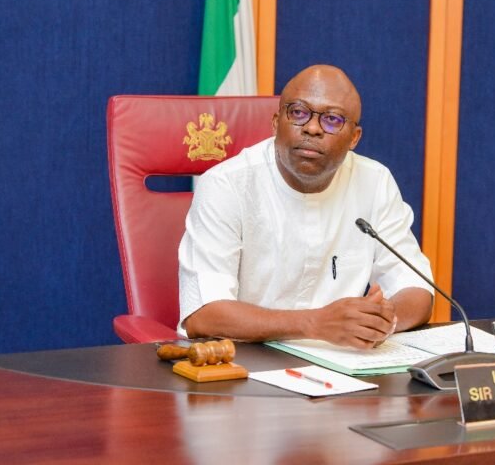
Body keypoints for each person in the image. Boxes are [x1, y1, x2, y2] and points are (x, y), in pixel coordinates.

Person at [178, 64, 433, 349]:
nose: (312, 128)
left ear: (354, 138)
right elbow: (204, 314)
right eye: (298, 113)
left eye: (332, 119)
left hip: (341, 361)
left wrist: (381, 320)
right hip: (244, 359)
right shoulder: (226, 184)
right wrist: (314, 324)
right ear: (276, 123)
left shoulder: (375, 181)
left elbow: (418, 289)